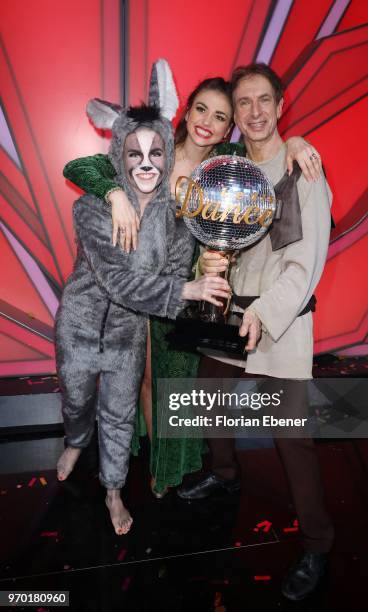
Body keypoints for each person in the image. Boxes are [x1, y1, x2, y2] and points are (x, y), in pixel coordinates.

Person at [63, 73, 323, 496]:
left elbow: (270, 155)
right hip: (135, 288)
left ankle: (168, 469)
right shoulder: (156, 147)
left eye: (221, 116)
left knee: (176, 390)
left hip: (190, 293)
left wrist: (295, 142)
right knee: (139, 381)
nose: (209, 121)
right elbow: (81, 165)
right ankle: (149, 458)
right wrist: (112, 193)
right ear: (187, 112)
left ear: (229, 128)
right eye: (202, 109)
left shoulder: (227, 163)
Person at [177, 63, 334, 602]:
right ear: (236, 115)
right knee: (205, 392)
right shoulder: (231, 166)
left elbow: (305, 260)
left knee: (292, 436)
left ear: (280, 104)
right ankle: (225, 472)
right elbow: (213, 232)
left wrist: (266, 313)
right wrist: (209, 267)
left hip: (277, 319)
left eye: (263, 101)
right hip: (229, 310)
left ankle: (317, 542)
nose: (254, 112)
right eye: (243, 104)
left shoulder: (303, 171)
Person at [55, 83, 231, 535]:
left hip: (130, 332)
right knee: (77, 401)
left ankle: (113, 491)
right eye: (136, 154)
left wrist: (198, 275)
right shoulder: (93, 205)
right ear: (121, 155)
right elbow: (116, 281)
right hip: (78, 326)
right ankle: (76, 439)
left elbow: (176, 269)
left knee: (118, 410)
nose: (147, 163)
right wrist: (114, 196)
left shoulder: (180, 210)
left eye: (156, 153)